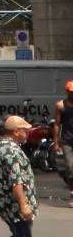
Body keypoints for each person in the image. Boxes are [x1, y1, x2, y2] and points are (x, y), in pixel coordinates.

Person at [0, 115, 38, 237]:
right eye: (25, 130)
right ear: (16, 131)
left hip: (3, 202)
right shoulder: (12, 151)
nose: (27, 133)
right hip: (15, 206)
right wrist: (24, 205)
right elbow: (16, 181)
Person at [53, 79, 73, 207]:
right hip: (67, 141)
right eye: (71, 92)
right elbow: (56, 124)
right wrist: (56, 142)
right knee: (71, 168)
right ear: (67, 91)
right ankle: (72, 193)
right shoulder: (60, 105)